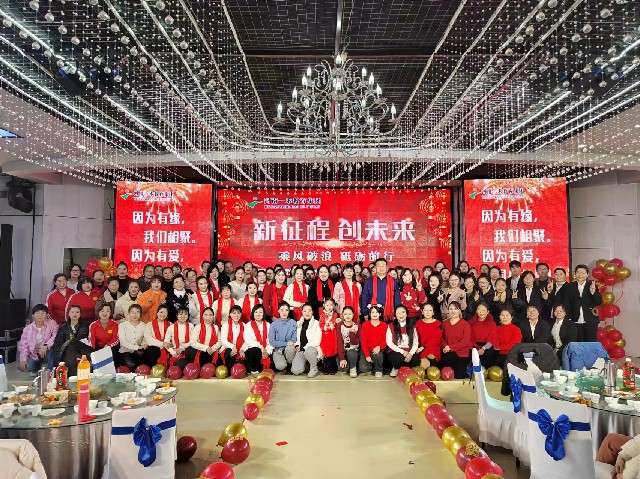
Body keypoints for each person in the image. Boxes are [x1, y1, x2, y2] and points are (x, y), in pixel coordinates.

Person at [567, 264, 602, 342]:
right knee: (577, 343)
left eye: (583, 273)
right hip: (574, 319)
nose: (580, 275)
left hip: (590, 320)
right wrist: (568, 318)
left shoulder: (592, 286)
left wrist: (593, 293)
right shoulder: (569, 286)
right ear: (575, 274)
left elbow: (599, 302)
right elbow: (567, 303)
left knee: (590, 342)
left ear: (587, 274)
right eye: (578, 272)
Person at [19, 304, 58, 375]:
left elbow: (55, 336)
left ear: (47, 315)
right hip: (34, 353)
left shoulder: (52, 323)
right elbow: (24, 346)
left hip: (47, 351)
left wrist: (46, 345)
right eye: (37, 312)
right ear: (33, 315)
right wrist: (23, 360)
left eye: (43, 313)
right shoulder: (27, 329)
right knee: (29, 369)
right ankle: (37, 365)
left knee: (53, 351)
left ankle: (51, 372)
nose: (40, 315)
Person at [51, 304, 90, 376]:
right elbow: (58, 344)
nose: (75, 314)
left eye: (77, 312)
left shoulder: (85, 327)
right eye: (72, 312)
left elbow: (88, 342)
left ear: (80, 314)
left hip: (81, 353)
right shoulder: (63, 328)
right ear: (68, 314)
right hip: (66, 354)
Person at [361, 258, 401, 322]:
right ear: (375, 267)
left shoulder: (393, 281)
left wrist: (397, 312)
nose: (381, 268)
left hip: (389, 314)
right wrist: (365, 313)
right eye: (379, 265)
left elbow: (397, 299)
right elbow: (364, 297)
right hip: (373, 313)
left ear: (387, 267)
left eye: (383, 265)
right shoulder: (369, 281)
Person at [440, 302, 473, 379]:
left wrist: (451, 347)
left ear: (460, 311)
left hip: (462, 352)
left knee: (459, 376)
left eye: (455, 309)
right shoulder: (444, 323)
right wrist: (445, 346)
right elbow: (441, 337)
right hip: (448, 352)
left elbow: (465, 341)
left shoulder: (465, 324)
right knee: (447, 373)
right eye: (451, 309)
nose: (453, 311)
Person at [386, 305, 420, 376]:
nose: (401, 315)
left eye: (403, 312)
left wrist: (410, 353)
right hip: (396, 351)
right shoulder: (391, 326)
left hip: (409, 350)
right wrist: (402, 352)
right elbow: (389, 342)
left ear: (406, 314)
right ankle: (396, 369)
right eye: (398, 313)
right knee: (398, 358)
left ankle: (407, 370)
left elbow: (415, 343)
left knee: (415, 360)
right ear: (395, 315)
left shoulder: (412, 326)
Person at [291, 303, 322, 377]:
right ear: (302, 312)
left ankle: (314, 368)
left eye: (309, 310)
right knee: (295, 371)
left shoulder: (317, 323)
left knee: (308, 351)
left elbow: (317, 341)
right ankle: (307, 366)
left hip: (312, 349)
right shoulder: (299, 323)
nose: (307, 313)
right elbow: (297, 338)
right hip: (301, 350)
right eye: (305, 311)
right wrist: (297, 345)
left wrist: (305, 347)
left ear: (312, 312)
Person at [359, 306, 388, 378]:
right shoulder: (365, 325)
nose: (375, 314)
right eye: (372, 312)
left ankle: (378, 370)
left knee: (378, 355)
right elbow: (364, 341)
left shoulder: (384, 325)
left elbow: (386, 340)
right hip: (367, 349)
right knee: (364, 368)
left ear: (380, 314)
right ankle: (372, 365)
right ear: (369, 314)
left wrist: (379, 347)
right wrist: (367, 355)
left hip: (378, 349)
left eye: (377, 312)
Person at [268, 302, 297, 372]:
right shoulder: (273, 324)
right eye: (282, 310)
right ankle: (283, 365)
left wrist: (282, 348)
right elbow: (272, 341)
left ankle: (290, 364)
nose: (284, 312)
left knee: (290, 348)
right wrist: (284, 345)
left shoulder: (293, 322)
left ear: (289, 311)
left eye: (286, 310)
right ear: (278, 311)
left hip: (288, 349)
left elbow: (293, 339)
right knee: (280, 366)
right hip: (277, 350)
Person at [243, 305, 272, 374]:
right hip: (252, 350)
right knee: (255, 350)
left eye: (261, 312)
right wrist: (261, 347)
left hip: (265, 350)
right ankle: (254, 369)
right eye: (256, 312)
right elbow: (248, 341)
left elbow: (271, 341)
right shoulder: (248, 325)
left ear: (264, 314)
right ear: (253, 313)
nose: (258, 314)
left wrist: (267, 352)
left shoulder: (268, 325)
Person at [118, 304, 147, 371]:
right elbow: (123, 342)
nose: (134, 315)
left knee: (142, 355)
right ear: (129, 313)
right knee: (131, 365)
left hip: (138, 352)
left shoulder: (144, 325)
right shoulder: (123, 325)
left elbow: (145, 338)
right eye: (132, 312)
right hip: (125, 352)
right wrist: (137, 347)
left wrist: (144, 344)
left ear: (140, 314)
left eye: (137, 312)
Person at [469, 303, 498, 368]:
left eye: (483, 310)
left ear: (487, 312)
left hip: (486, 347)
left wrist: (483, 348)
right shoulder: (471, 323)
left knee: (489, 353)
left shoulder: (492, 324)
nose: (481, 312)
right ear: (476, 311)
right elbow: (468, 337)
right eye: (479, 309)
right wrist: (474, 347)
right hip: (473, 345)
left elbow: (492, 340)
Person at [415, 303, 442, 369]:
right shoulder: (418, 323)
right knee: (423, 366)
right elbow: (415, 337)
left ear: (433, 312)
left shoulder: (438, 323)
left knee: (431, 356)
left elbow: (436, 339)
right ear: (422, 312)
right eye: (425, 310)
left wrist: (423, 347)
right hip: (421, 348)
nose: (428, 312)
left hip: (433, 347)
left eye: (430, 310)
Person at [337, 307, 360, 378]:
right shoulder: (339, 325)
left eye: (349, 314)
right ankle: (348, 364)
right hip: (343, 350)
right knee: (343, 369)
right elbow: (340, 342)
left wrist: (352, 333)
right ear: (342, 315)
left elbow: (355, 343)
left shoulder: (357, 326)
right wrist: (342, 358)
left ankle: (353, 368)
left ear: (353, 315)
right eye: (345, 314)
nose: (347, 316)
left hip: (353, 350)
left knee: (351, 353)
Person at [318, 297, 339, 375]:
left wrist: (337, 322)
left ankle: (333, 368)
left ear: (333, 306)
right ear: (324, 305)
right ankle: (326, 367)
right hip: (325, 335)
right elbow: (321, 325)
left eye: (331, 305)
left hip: (333, 335)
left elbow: (336, 324)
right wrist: (327, 327)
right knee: (326, 351)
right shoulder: (322, 315)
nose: (329, 307)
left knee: (332, 351)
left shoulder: (335, 314)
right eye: (327, 305)